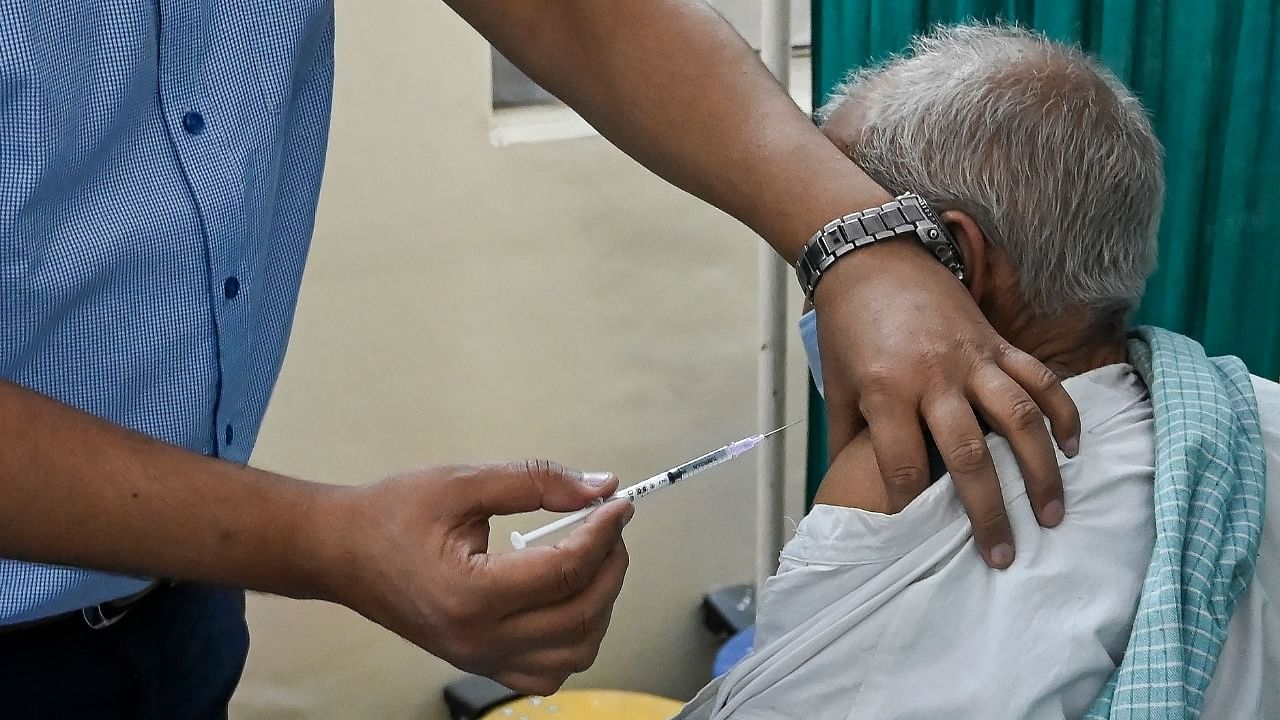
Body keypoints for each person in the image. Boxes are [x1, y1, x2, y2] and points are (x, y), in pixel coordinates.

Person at [0, 3, 1081, 717]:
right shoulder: (1246, 428)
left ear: (961, 262)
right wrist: (322, 542)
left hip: (174, 620)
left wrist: (849, 239)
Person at [677, 24, 1279, 720]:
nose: (815, 299)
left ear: (954, 261)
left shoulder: (889, 505)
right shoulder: (1253, 417)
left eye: (834, 255)